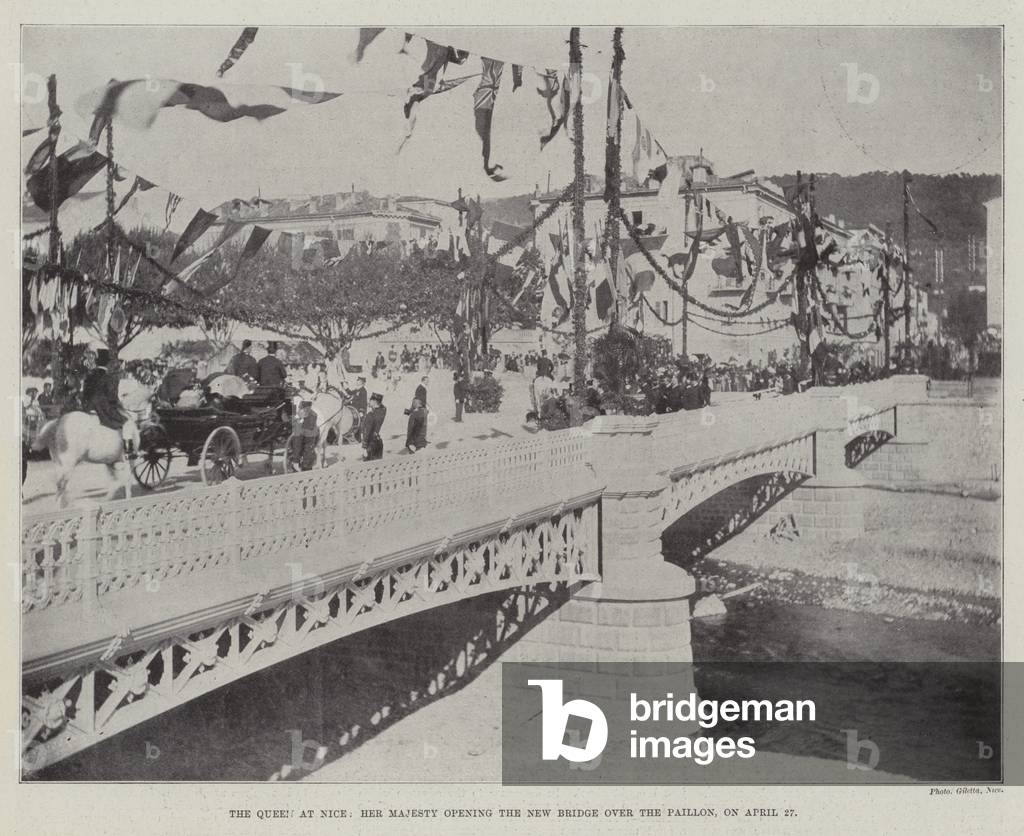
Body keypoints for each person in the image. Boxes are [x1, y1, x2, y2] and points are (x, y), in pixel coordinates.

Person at [82, 348, 135, 452]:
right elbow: (112, 397)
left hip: (89, 407)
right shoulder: (110, 378)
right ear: (108, 363)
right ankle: (128, 450)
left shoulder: (89, 376)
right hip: (104, 409)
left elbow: (85, 394)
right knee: (127, 422)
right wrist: (120, 404)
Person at [288, 400, 319, 471]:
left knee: (301, 446)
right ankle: (302, 464)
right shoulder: (313, 414)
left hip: (307, 434)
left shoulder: (311, 414)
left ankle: (299, 463)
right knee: (305, 448)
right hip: (308, 434)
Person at [361, 393, 386, 461]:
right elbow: (382, 406)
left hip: (370, 444)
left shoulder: (370, 415)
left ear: (374, 401)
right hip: (378, 442)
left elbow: (367, 431)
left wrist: (364, 447)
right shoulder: (382, 411)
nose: (368, 402)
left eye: (370, 400)